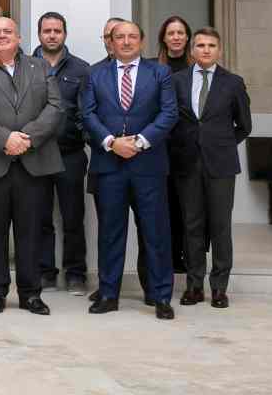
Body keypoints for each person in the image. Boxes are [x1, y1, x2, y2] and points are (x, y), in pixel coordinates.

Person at [0, 17, 62, 316]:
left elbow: (55, 107)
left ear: (19, 37)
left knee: (31, 232)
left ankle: (31, 294)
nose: (2, 36)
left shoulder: (41, 67)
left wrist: (27, 139)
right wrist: (5, 138)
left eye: (8, 32)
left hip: (33, 162)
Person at [82, 20, 179, 320]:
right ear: (110, 41)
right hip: (109, 164)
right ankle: (109, 294)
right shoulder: (95, 74)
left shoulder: (159, 72)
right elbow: (87, 113)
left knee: (156, 232)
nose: (125, 42)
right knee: (111, 232)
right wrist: (111, 143)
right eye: (119, 37)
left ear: (142, 40)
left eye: (132, 37)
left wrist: (139, 141)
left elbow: (169, 112)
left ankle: (161, 296)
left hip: (148, 165)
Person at [171, 27, 251, 310]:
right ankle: (194, 286)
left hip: (220, 165)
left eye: (211, 45)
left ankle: (219, 288)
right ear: (192, 50)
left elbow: (244, 126)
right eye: (201, 45)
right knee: (191, 226)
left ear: (220, 50)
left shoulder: (233, 83)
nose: (206, 50)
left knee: (220, 227)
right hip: (186, 163)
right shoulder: (177, 80)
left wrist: (220, 144)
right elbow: (171, 120)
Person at [33, 11, 91, 295]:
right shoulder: (25, 65)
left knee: (72, 217)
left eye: (57, 30)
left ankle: (76, 274)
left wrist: (79, 133)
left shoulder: (81, 69)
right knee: (40, 215)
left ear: (64, 34)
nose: (52, 35)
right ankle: (45, 272)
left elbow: (88, 110)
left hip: (70, 153)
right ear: (39, 34)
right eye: (47, 30)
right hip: (36, 153)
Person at [156, 15, 192, 273]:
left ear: (187, 37)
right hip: (161, 147)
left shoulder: (197, 68)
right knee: (165, 206)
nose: (176, 37)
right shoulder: (153, 68)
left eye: (181, 33)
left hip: (189, 149)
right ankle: (169, 257)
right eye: (171, 33)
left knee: (188, 208)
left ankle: (189, 256)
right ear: (164, 38)